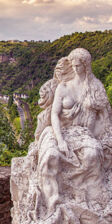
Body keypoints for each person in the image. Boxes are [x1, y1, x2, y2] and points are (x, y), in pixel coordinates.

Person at [11, 48, 112, 224]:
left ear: (86, 66)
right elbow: (54, 116)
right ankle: (53, 204)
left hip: (83, 134)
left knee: (93, 154)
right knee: (50, 156)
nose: (75, 68)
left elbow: (104, 117)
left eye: (79, 65)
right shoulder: (63, 87)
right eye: (73, 65)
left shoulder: (95, 87)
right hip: (58, 131)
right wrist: (60, 140)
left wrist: (100, 137)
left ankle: (84, 196)